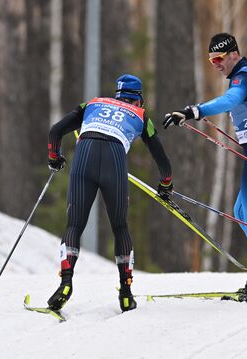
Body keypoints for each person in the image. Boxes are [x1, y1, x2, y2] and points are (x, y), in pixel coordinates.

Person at [163, 33, 247, 302]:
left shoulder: (245, 78)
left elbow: (230, 100)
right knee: (241, 212)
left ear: (234, 54)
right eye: (210, 61)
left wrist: (193, 111)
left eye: (219, 58)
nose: (216, 64)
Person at [47, 74, 173, 312]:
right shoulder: (140, 115)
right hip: (114, 159)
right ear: (138, 100)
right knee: (120, 227)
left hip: (84, 155)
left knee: (74, 226)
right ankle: (126, 294)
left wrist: (55, 158)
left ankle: (65, 282)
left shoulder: (92, 104)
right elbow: (162, 160)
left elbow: (55, 131)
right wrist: (165, 184)